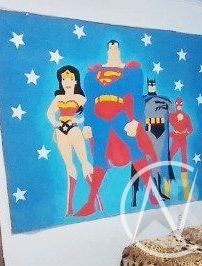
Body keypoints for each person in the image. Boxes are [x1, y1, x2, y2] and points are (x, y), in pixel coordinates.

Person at [74, 39, 157, 216]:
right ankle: (90, 203)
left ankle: (152, 193)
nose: (113, 49)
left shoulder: (130, 69)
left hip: (120, 115)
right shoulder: (94, 72)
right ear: (107, 50)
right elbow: (90, 100)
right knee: (99, 158)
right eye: (110, 47)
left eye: (115, 47)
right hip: (99, 118)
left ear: (119, 50)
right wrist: (87, 124)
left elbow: (136, 96)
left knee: (136, 151)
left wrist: (135, 121)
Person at [47, 65, 96, 216]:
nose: (67, 82)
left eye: (70, 79)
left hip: (74, 130)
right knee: (69, 165)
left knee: (84, 162)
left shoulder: (80, 98)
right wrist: (56, 123)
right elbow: (49, 113)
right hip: (61, 131)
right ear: (60, 82)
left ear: (75, 81)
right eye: (64, 79)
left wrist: (79, 120)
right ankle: (69, 207)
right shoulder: (58, 98)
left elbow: (91, 112)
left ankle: (96, 199)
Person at [168, 97, 194, 199]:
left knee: (184, 161)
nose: (179, 106)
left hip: (183, 140)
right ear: (175, 105)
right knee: (168, 159)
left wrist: (184, 134)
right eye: (177, 105)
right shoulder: (171, 116)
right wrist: (172, 134)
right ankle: (167, 189)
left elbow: (190, 129)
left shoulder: (186, 116)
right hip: (176, 139)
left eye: (180, 105)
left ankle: (186, 190)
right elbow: (165, 125)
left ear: (182, 105)